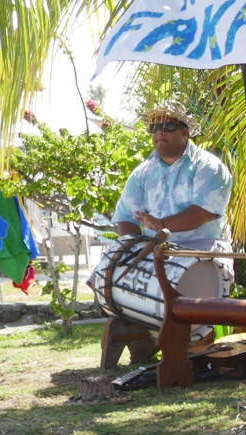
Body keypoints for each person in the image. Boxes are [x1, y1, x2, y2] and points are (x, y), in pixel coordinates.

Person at [91, 99, 234, 298]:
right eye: (155, 127)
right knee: (102, 276)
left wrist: (162, 224)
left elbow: (204, 212)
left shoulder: (209, 166)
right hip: (154, 250)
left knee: (183, 299)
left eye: (168, 127)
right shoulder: (142, 173)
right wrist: (135, 249)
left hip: (201, 250)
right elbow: (126, 217)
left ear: (184, 133)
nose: (160, 132)